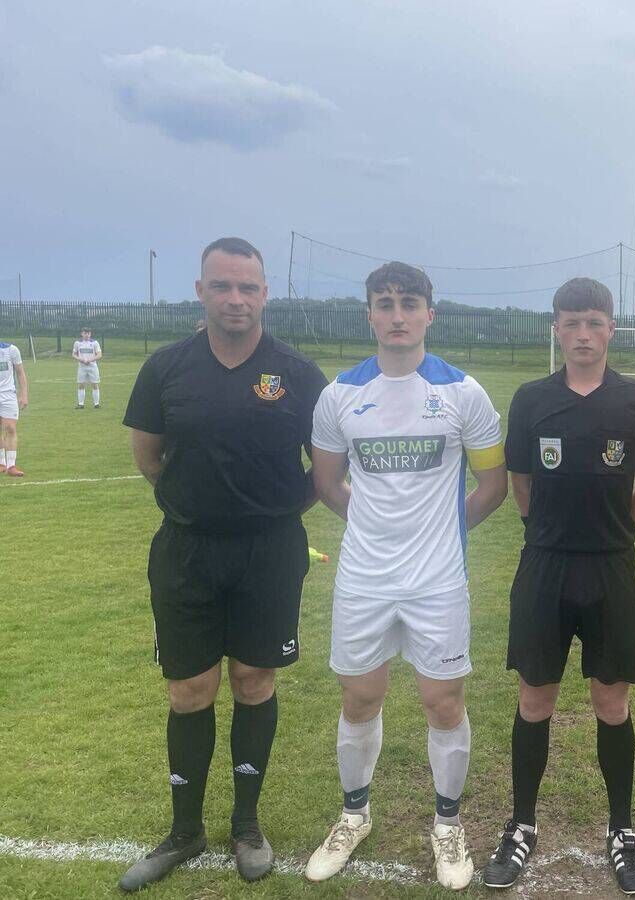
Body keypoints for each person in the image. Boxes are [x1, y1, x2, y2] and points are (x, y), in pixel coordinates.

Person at [119, 237, 329, 891]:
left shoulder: (296, 372)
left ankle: (247, 824)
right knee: (189, 690)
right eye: (222, 286)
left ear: (266, 294)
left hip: (269, 550)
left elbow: (324, 469)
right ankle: (185, 831)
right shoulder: (166, 368)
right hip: (187, 550)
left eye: (248, 288)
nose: (235, 299)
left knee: (254, 683)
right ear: (201, 290)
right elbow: (149, 457)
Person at [304, 262, 507, 891]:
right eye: (385, 304)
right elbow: (326, 482)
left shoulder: (463, 392)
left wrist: (441, 533)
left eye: (409, 303)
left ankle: (447, 826)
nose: (397, 315)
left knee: (442, 703)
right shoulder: (339, 393)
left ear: (429, 314)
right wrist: (373, 526)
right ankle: (354, 814)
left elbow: (493, 484)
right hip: (364, 579)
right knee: (359, 697)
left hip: (438, 581)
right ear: (368, 312)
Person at [483, 278, 635, 895]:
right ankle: (521, 824)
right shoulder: (532, 399)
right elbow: (520, 482)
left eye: (594, 322)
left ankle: (622, 830)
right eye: (571, 323)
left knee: (612, 704)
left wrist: (616, 538)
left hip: (612, 567)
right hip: (545, 567)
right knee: (535, 699)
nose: (583, 334)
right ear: (556, 330)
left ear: (611, 328)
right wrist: (548, 536)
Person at [0, 337, 29, 476]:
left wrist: (24, 394)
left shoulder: (11, 350)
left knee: (10, 428)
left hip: (8, 395)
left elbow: (20, 373)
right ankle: (1, 463)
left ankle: (11, 466)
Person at [72, 327, 103, 408]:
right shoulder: (77, 343)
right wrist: (81, 359)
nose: (87, 335)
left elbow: (99, 355)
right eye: (85, 333)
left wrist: (90, 360)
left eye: (88, 333)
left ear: (90, 334)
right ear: (82, 334)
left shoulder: (95, 343)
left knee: (95, 384)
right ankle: (81, 404)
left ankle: (96, 404)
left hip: (92, 366)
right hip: (82, 367)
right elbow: (74, 354)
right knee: (81, 384)